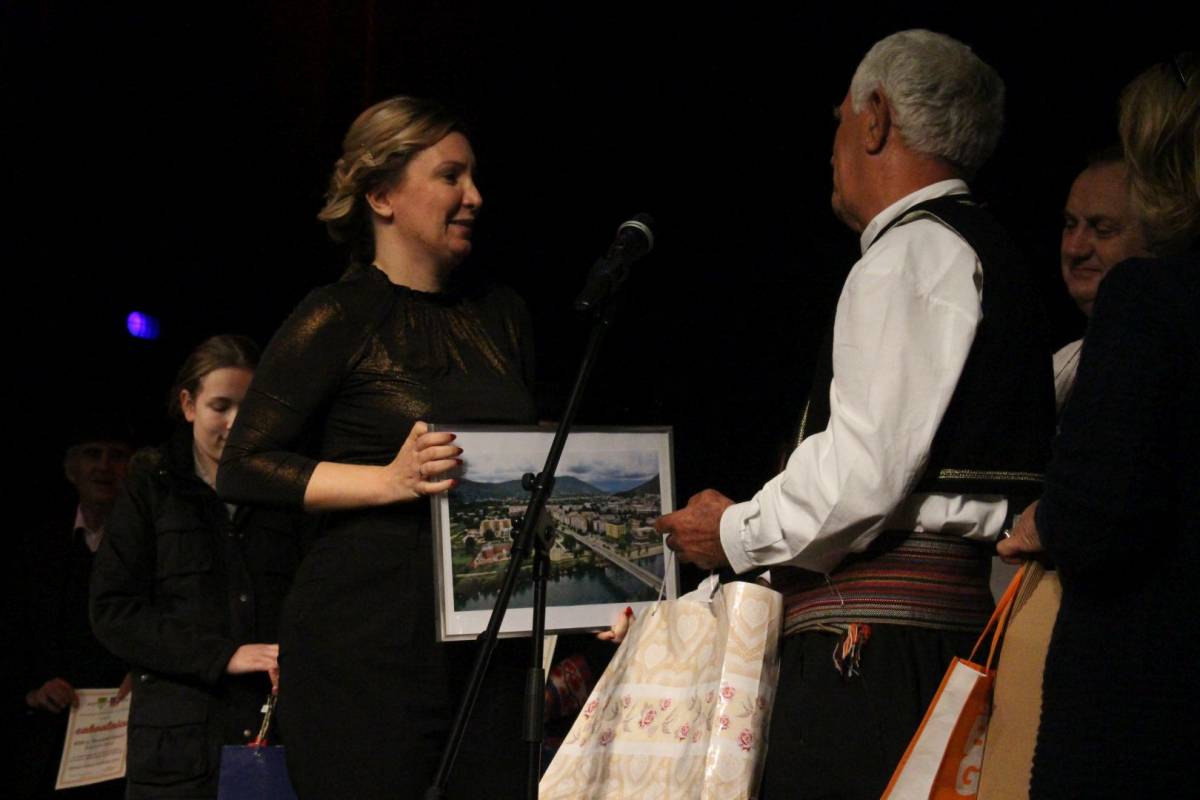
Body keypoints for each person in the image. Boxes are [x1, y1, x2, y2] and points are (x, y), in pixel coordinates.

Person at [657, 30, 1055, 799]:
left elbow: (857, 481)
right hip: (940, 639)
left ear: (875, 118)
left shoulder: (911, 254)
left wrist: (733, 530)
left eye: (839, 119)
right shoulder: (987, 251)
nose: (833, 144)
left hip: (874, 657)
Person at [216, 96, 537, 798]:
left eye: (474, 176)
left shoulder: (502, 314)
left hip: (486, 653)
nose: (474, 196)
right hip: (363, 648)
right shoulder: (337, 314)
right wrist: (387, 480)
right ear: (382, 195)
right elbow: (242, 466)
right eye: (450, 176)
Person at [998, 52, 1198, 797]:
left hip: (1146, 702)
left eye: (1105, 226)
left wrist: (1048, 519)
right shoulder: (1071, 355)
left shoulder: (1149, 302)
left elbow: (1101, 514)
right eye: (1069, 224)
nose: (1077, 246)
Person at [90, 335, 306, 798]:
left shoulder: (283, 488)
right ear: (189, 405)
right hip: (179, 749)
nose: (235, 423)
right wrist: (223, 654)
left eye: (248, 408)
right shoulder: (151, 487)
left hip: (269, 731)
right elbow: (113, 611)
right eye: (220, 406)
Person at [13, 423, 133, 798]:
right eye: (92, 454)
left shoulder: (152, 545)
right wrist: (33, 691)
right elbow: (16, 633)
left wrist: (147, 674)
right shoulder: (38, 548)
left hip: (127, 734)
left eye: (117, 456)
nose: (104, 466)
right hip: (49, 737)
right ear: (71, 469)